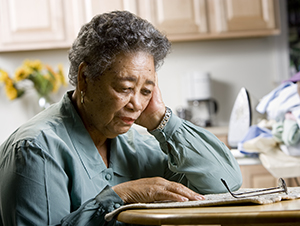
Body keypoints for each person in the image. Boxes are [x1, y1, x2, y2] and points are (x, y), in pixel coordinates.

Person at [0, 11, 242, 226]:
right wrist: (121, 196)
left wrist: (161, 119)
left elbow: (225, 183)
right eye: (125, 88)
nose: (137, 104)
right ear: (85, 78)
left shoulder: (135, 145)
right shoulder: (35, 149)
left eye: (146, 91)